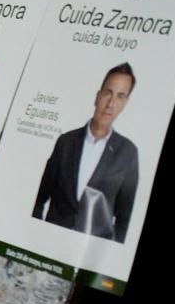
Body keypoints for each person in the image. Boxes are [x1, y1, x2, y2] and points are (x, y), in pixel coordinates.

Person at [32, 63, 140, 242]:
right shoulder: (66, 142)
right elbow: (39, 198)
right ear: (98, 96)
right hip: (50, 243)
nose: (111, 104)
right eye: (108, 93)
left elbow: (123, 219)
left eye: (120, 97)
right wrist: (38, 237)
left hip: (88, 253)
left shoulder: (128, 153)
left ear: (125, 103)